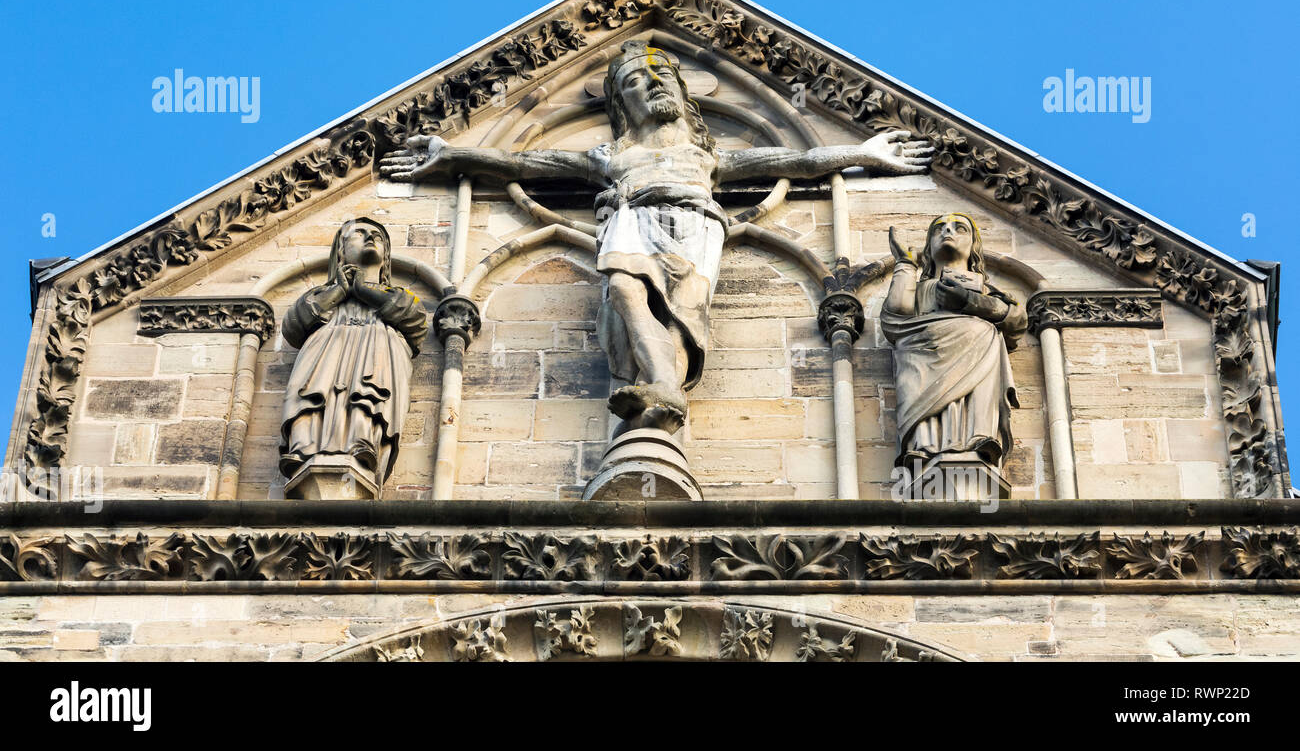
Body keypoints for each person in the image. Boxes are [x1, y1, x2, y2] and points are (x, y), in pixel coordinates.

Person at [380, 40, 933, 434]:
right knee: (621, 286)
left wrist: (863, 152)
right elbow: (525, 160)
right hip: (630, 221)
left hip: (693, 230)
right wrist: (452, 153)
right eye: (634, 81)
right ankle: (664, 385)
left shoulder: (705, 154)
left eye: (660, 75)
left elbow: (802, 158)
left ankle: (664, 381)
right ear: (623, 103)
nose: (651, 83)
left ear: (680, 89)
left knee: (681, 314)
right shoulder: (615, 155)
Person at [279, 218, 427, 491]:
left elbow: (416, 321)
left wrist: (364, 290)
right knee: (314, 389)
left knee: (367, 391)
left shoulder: (398, 294)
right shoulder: (322, 294)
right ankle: (304, 447)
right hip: (327, 346)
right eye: (359, 233)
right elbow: (293, 324)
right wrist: (339, 291)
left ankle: (364, 445)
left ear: (386, 258)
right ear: (341, 252)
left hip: (377, 346)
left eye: (378, 236)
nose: (370, 238)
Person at [883, 213, 1026, 472]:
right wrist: (905, 264)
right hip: (922, 352)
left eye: (959, 228)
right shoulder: (920, 287)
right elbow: (895, 317)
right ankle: (923, 446)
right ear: (928, 247)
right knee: (915, 363)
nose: (948, 232)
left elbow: (1017, 320)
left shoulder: (986, 289)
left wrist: (969, 301)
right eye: (939, 229)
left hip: (977, 349)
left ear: (973, 246)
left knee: (984, 336)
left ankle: (979, 438)